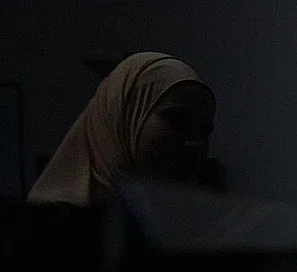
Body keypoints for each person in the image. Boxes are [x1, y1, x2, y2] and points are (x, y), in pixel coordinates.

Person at [27, 51, 216, 209]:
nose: (196, 143)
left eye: (205, 131)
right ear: (123, 119)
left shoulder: (190, 224)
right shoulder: (47, 228)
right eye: (176, 120)